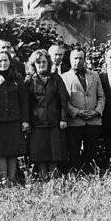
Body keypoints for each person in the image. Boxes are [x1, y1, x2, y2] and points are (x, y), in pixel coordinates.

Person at [0, 50, 30, 185]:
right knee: (1, 151)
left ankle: (13, 179)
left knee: (13, 151)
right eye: (0, 60)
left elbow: (24, 100)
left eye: (5, 60)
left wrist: (25, 120)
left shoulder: (17, 77)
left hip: (14, 120)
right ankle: (4, 180)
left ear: (10, 61)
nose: (3, 63)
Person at [25, 49, 68, 178]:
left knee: (54, 154)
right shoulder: (29, 81)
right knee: (40, 155)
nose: (41, 65)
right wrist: (26, 121)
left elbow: (64, 100)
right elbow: (25, 103)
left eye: (44, 62)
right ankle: (44, 181)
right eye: (38, 62)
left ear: (48, 63)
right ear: (33, 64)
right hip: (37, 124)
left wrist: (63, 118)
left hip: (54, 123)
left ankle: (54, 182)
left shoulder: (56, 79)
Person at [61, 48, 104, 172]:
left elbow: (101, 96)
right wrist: (77, 112)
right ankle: (76, 175)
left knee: (92, 151)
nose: (78, 61)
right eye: (75, 58)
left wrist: (96, 111)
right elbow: (63, 101)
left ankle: (91, 174)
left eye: (80, 58)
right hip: (75, 121)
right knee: (74, 151)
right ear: (70, 59)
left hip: (93, 120)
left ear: (84, 60)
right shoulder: (64, 77)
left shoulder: (94, 75)